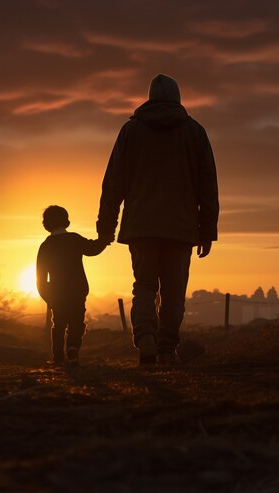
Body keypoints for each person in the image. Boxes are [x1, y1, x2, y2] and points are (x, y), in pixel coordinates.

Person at [97, 74, 219, 366]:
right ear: (178, 98)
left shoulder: (130, 132)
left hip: (141, 227)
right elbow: (208, 186)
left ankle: (146, 341)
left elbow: (113, 183)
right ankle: (166, 349)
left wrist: (106, 227)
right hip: (181, 228)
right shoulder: (194, 132)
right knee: (174, 293)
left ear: (149, 97)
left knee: (144, 286)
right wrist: (207, 230)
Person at [36, 205, 111, 366]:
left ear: (46, 224)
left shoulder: (45, 246)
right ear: (66, 221)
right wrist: (104, 240)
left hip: (56, 293)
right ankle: (72, 350)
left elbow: (40, 277)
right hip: (78, 290)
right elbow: (93, 248)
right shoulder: (75, 239)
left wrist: (48, 297)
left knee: (59, 324)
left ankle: (57, 358)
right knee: (77, 322)